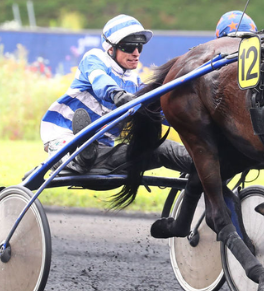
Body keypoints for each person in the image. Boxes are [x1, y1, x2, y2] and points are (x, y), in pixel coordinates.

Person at [40, 14, 192, 175]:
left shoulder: (134, 82)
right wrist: (118, 95)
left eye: (139, 46)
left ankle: (209, 165)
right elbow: (100, 81)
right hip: (63, 137)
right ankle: (77, 156)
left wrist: (188, 120)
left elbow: (160, 113)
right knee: (79, 151)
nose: (136, 52)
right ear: (110, 48)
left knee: (163, 149)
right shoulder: (95, 59)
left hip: (103, 152)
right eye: (129, 47)